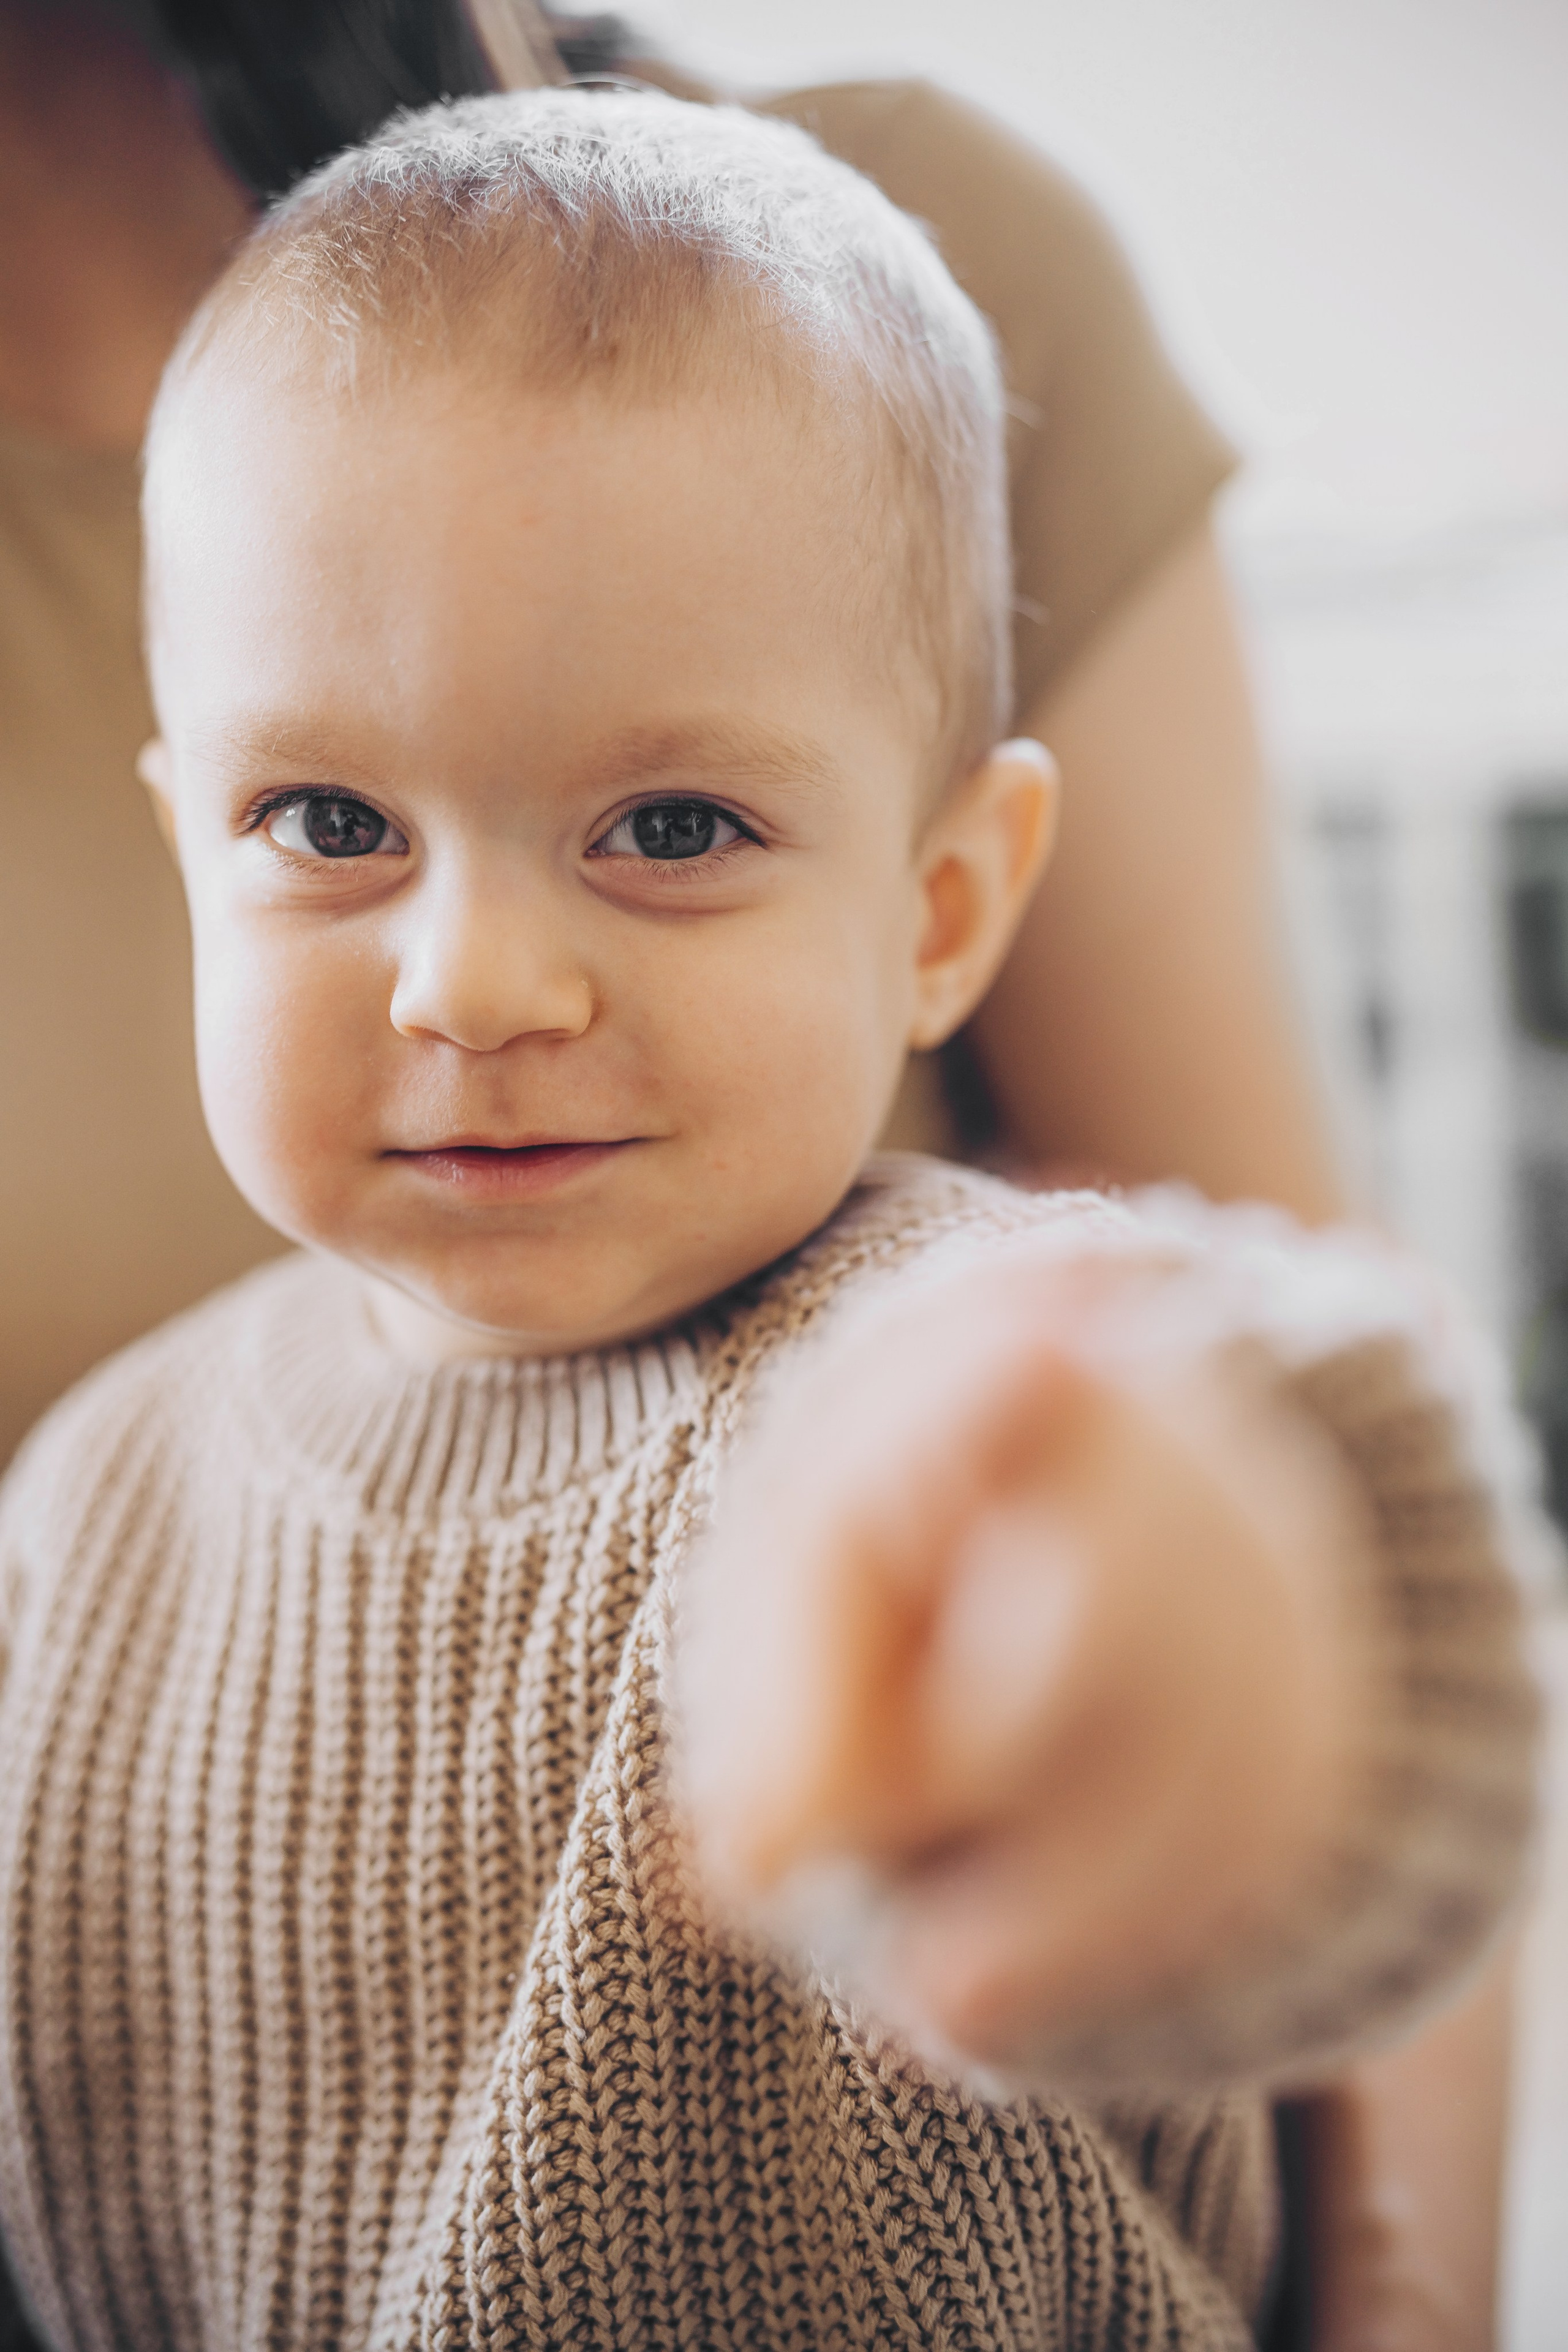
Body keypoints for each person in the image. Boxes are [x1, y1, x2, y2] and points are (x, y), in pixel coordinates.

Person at [0, 6, 1513, 2343]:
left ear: (941, 909)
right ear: (184, 841)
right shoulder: (76, 1531)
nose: (476, 980)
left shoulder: (964, 1364)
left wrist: (1220, 1576)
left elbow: (1338, 1504)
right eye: (325, 826)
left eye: (674, 829)